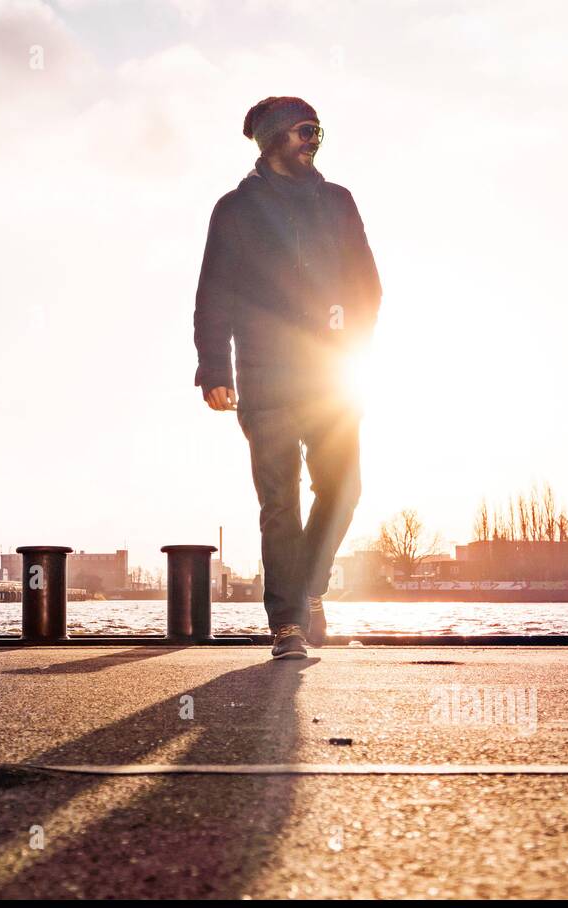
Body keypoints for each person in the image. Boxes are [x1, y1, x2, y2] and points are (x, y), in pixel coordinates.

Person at [192, 96, 382, 660]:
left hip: (331, 376)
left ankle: (309, 587)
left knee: (344, 488)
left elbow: (367, 284)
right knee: (280, 501)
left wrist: (355, 341)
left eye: (318, 129)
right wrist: (213, 369)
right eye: (305, 130)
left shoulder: (338, 202)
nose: (315, 138)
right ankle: (287, 626)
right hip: (265, 375)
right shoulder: (235, 210)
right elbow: (213, 295)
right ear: (274, 139)